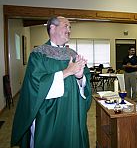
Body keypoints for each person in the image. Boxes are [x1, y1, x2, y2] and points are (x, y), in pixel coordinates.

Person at [11, 16, 92, 148]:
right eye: (66, 26)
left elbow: (85, 84)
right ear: (52, 28)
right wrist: (67, 72)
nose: (69, 30)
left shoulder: (72, 54)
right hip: (48, 115)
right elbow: (36, 86)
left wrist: (79, 76)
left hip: (72, 111)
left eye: (70, 27)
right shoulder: (39, 54)